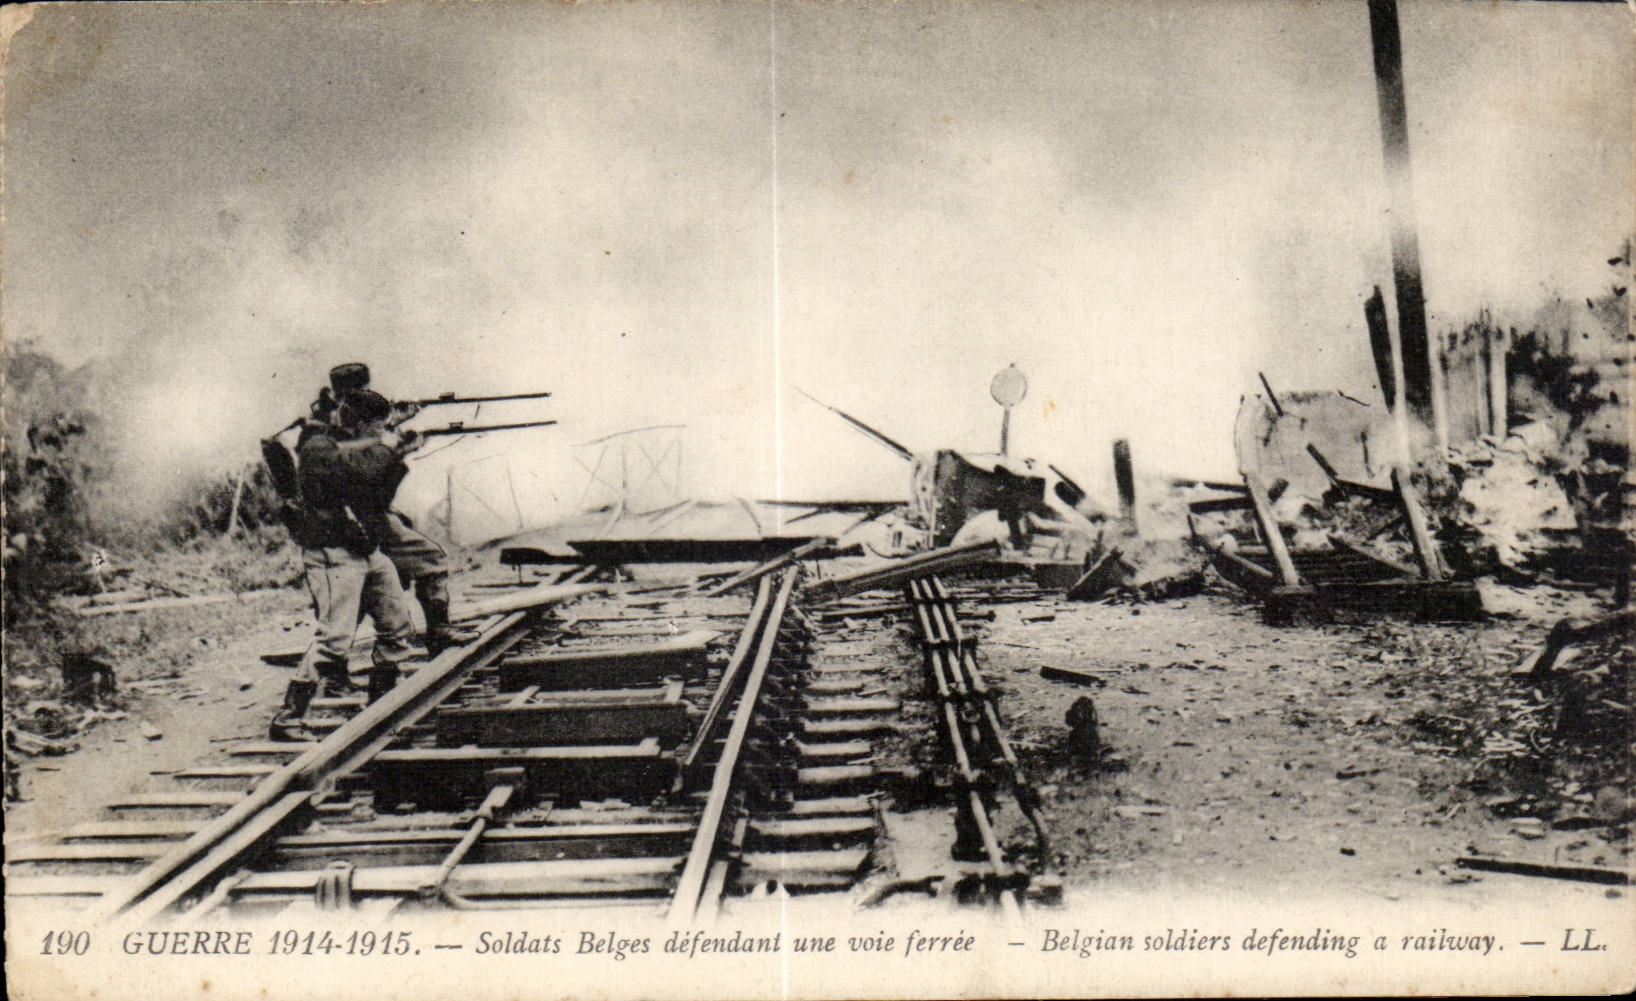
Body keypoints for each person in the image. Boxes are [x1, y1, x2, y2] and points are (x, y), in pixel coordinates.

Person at [269, 390, 420, 741]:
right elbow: (354, 475)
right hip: (332, 551)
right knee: (334, 638)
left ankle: (381, 706)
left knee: (397, 626)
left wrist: (398, 456)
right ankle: (287, 718)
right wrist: (390, 448)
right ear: (357, 421)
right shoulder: (316, 445)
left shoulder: (351, 445)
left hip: (363, 547)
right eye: (374, 425)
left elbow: (377, 496)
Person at [308, 363, 478, 655]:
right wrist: (393, 444)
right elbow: (359, 467)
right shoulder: (324, 428)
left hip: (362, 516)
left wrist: (392, 436)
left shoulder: (334, 418)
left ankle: (349, 670)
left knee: (365, 597)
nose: (363, 397)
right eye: (358, 392)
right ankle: (437, 633)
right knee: (426, 561)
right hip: (352, 519)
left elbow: (368, 457)